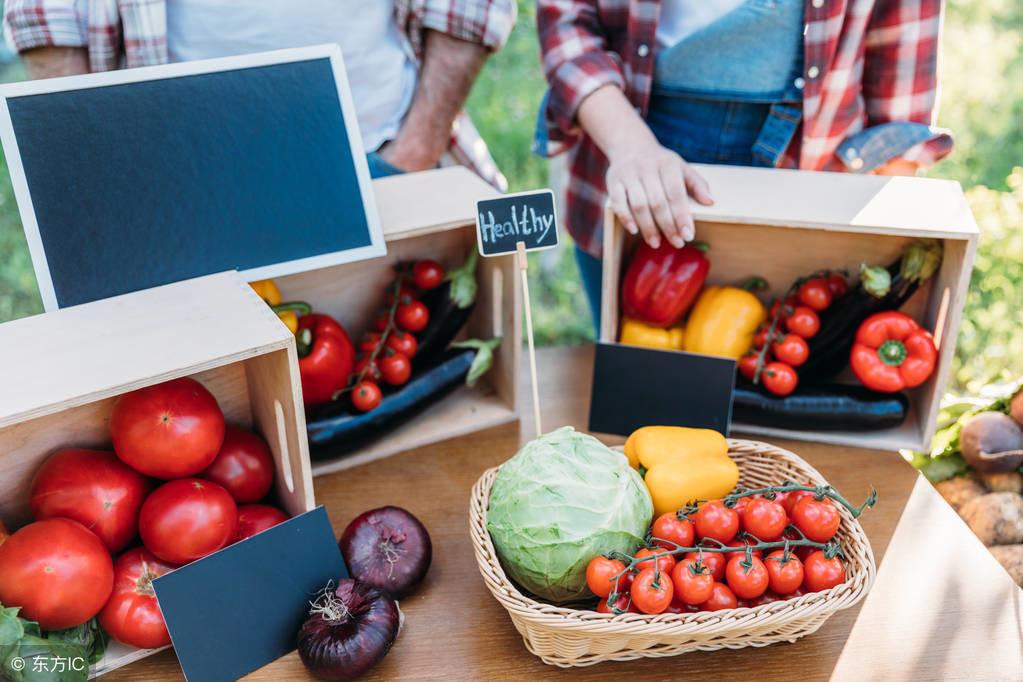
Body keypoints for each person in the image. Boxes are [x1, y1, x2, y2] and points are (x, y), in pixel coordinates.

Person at [535, 0, 953, 329]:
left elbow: (901, 44)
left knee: (778, 375)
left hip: (812, 154)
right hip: (630, 124)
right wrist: (630, 146)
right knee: (634, 370)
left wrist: (887, 233)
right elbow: (568, 17)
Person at [4, 0, 516, 187]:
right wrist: (97, 188)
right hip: (171, 183)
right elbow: (48, 13)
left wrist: (411, 157)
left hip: (384, 157)